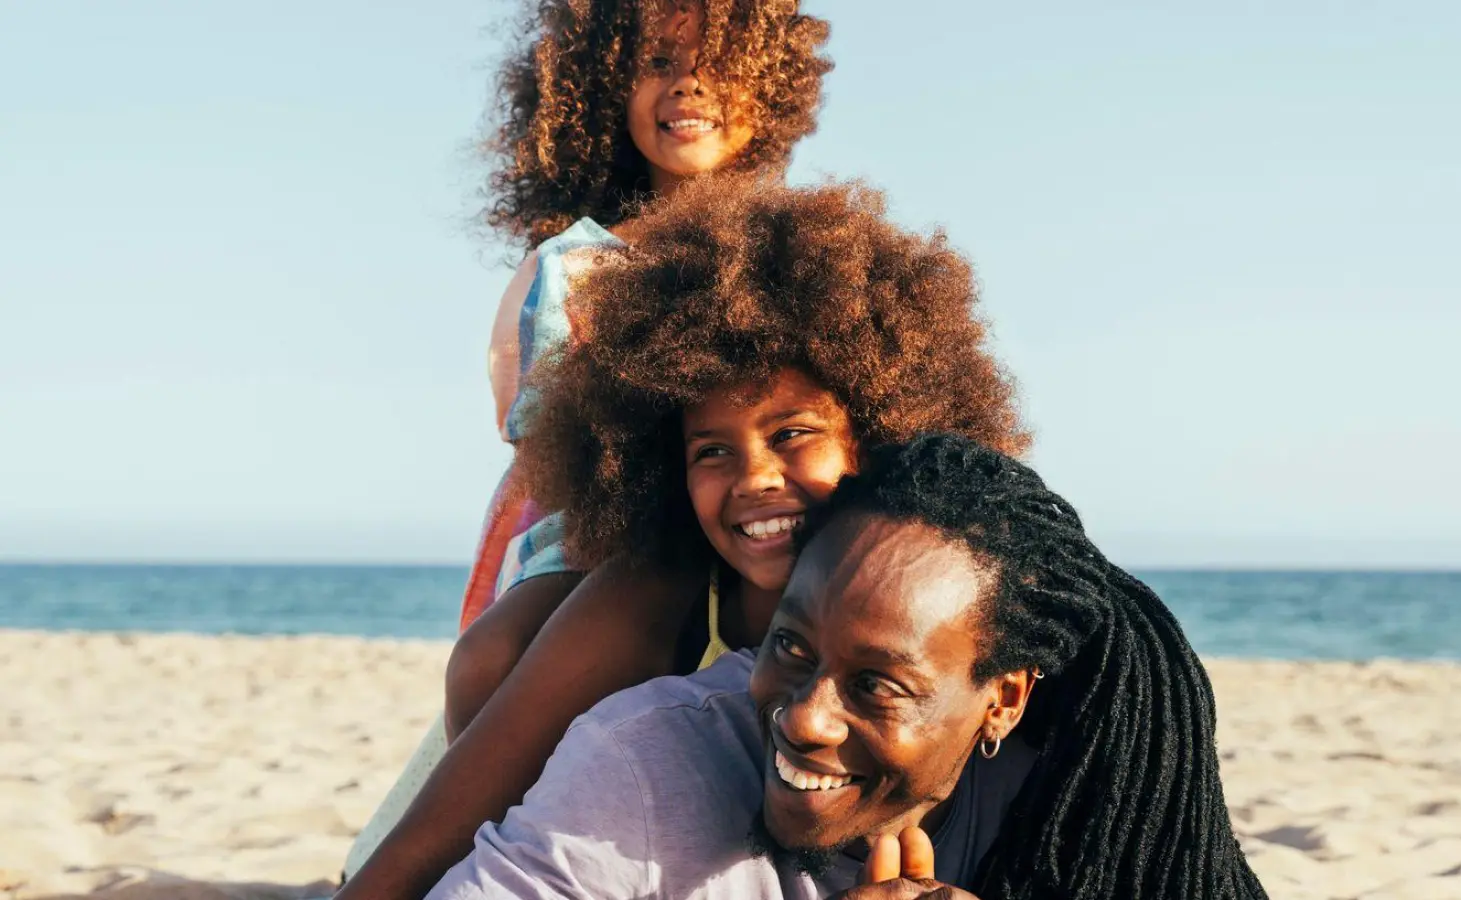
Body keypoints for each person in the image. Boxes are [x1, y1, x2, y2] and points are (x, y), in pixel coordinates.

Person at [338, 179, 1027, 899]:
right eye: (711, 451)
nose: (755, 477)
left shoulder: (945, 595)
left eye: (792, 434)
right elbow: (423, 861)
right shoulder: (651, 602)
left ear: (882, 429)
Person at [337, 0, 830, 881]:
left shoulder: (813, 246)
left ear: (776, 86)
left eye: (719, 59)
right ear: (599, 89)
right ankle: (515, 849)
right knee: (488, 660)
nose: (687, 82)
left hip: (776, 516)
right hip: (613, 529)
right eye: (654, 62)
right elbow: (550, 449)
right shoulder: (578, 267)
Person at [427, 433, 1271, 900]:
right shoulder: (642, 772)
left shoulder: (1072, 785)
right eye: (791, 648)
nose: (803, 717)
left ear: (1003, 701)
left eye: (878, 685)